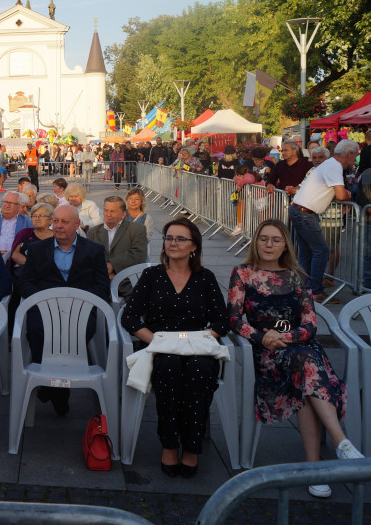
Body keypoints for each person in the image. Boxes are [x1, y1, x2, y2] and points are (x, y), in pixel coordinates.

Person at [228, 220, 364, 497]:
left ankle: (317, 466)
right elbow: (232, 318)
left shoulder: (297, 276)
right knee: (305, 369)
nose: (268, 245)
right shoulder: (243, 273)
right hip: (265, 352)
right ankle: (339, 445)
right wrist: (262, 337)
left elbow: (310, 325)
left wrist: (284, 338)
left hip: (299, 347)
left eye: (275, 240)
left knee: (303, 369)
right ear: (255, 242)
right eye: (263, 239)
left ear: (285, 245)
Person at [120, 218, 230, 478]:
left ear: (194, 246)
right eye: (169, 237)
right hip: (160, 346)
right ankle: (169, 444)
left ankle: (191, 448)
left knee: (199, 369)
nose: (173, 243)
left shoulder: (205, 278)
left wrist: (202, 338)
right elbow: (130, 318)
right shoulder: (152, 276)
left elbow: (223, 320)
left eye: (180, 239)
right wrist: (156, 341)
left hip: (196, 347)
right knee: (168, 367)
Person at [14, 204, 109, 416]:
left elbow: (102, 286)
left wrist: (78, 301)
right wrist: (45, 300)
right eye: (55, 221)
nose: (58, 226)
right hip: (45, 308)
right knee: (37, 331)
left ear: (77, 224)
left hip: (81, 311)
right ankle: (56, 390)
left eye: (64, 222)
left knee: (74, 335)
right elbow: (25, 282)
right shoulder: (38, 250)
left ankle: (51, 386)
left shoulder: (93, 251)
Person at [288, 139, 359, 303]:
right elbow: (341, 195)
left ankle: (304, 288)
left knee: (307, 252)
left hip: (300, 210)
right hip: (305, 212)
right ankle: (316, 291)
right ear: (348, 154)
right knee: (322, 251)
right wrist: (348, 194)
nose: (355, 161)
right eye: (354, 156)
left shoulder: (330, 165)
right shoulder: (334, 166)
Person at [86, 196, 148, 297]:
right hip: (99, 283)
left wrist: (112, 266)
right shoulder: (93, 232)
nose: (108, 214)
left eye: (113, 211)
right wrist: (105, 274)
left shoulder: (136, 230)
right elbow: (88, 258)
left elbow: (139, 254)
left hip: (128, 283)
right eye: (106, 210)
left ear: (123, 214)